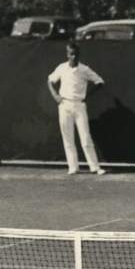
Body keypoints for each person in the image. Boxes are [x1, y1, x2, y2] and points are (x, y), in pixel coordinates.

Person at [47, 42, 107, 175]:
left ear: (79, 55)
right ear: (67, 54)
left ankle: (95, 167)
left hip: (79, 105)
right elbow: (50, 80)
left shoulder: (84, 69)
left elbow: (100, 82)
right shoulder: (61, 68)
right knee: (68, 138)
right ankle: (73, 167)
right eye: (70, 54)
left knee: (85, 137)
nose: (73, 57)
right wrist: (55, 96)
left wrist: (87, 96)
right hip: (64, 105)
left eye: (75, 54)